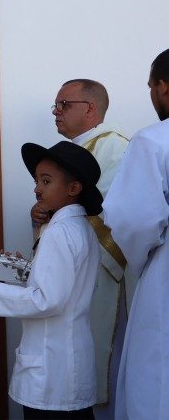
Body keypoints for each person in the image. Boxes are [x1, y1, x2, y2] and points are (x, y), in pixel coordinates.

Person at [0, 141, 103, 419]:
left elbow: (46, 301)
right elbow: (61, 285)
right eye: (37, 180)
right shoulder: (81, 229)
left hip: (51, 372)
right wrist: (18, 271)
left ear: (73, 189)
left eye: (46, 180)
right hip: (66, 364)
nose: (37, 188)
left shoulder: (58, 232)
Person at [32, 79, 131, 417]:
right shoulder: (70, 153)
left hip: (100, 276)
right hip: (71, 273)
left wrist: (56, 214)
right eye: (55, 106)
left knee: (99, 365)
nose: (56, 113)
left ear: (89, 109)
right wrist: (42, 217)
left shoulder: (115, 149)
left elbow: (117, 218)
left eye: (64, 105)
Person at [102, 48, 169, 420]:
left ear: (162, 86)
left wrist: (147, 262)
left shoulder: (154, 140)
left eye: (150, 86)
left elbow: (131, 218)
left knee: (158, 381)